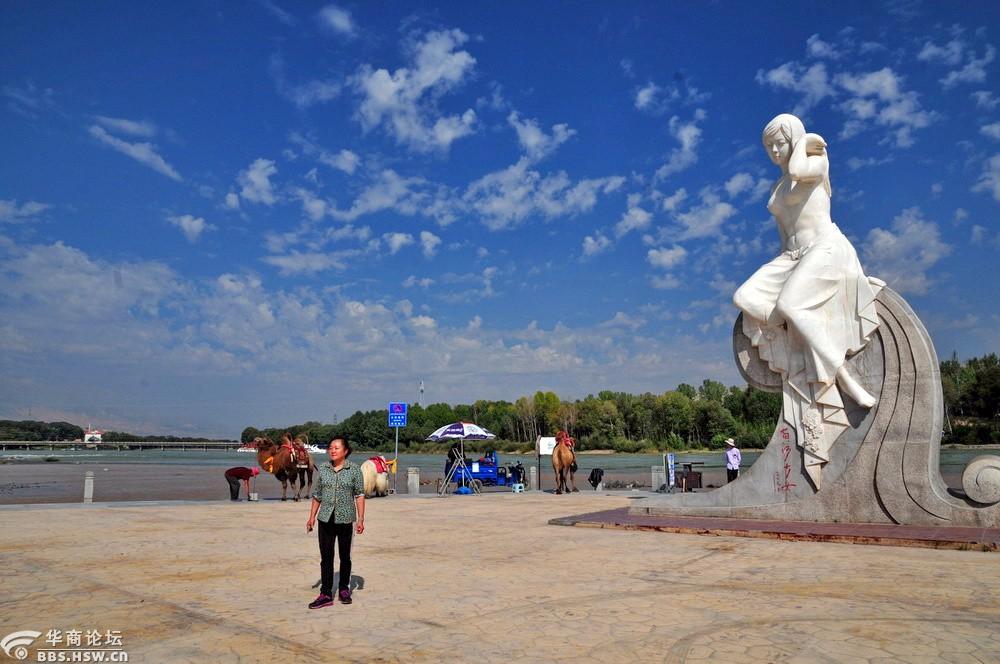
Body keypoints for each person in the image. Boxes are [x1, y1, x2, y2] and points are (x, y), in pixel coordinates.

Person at [732, 113, 881, 489]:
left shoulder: (814, 161)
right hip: (791, 258)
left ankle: (843, 376)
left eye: (779, 143)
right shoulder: (779, 190)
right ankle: (799, 335)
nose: (774, 152)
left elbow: (799, 167)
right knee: (744, 296)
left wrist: (803, 141)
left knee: (793, 305)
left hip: (825, 249)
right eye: (768, 147)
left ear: (794, 139)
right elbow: (785, 235)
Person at [306, 438, 365, 609]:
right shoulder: (323, 469)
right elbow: (317, 495)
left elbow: (359, 495)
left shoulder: (354, 470)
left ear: (345, 451)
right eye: (330, 448)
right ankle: (325, 593)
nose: (332, 450)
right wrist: (311, 518)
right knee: (326, 557)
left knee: (345, 556)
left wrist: (361, 519)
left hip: (346, 518)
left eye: (337, 448)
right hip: (325, 518)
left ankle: (344, 589)